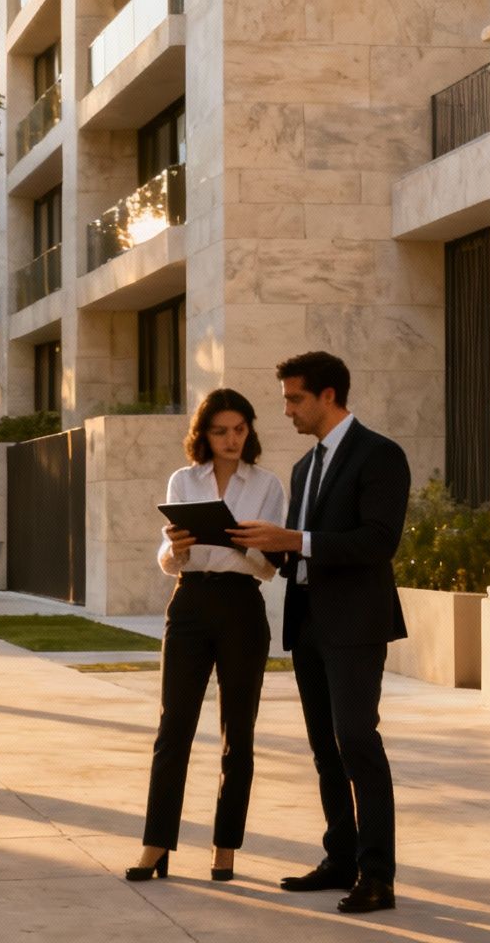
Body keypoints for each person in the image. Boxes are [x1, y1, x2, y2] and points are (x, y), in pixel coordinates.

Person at [229, 351, 411, 915]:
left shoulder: (381, 455)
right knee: (325, 749)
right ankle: (341, 858)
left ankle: (378, 876)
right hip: (307, 621)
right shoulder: (306, 468)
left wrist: (294, 541)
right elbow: (300, 551)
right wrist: (265, 547)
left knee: (358, 741)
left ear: (328, 395)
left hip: (356, 625)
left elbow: (378, 542)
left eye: (294, 398)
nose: (285, 410)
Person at [126, 388, 284, 884]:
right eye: (222, 430)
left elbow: (270, 570)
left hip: (241, 606)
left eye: (240, 429)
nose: (233, 439)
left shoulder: (267, 485)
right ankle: (156, 845)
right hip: (190, 602)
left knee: (239, 734)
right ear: (204, 434)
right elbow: (169, 561)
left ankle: (225, 848)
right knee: (173, 729)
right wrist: (176, 547)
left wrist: (249, 545)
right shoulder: (183, 480)